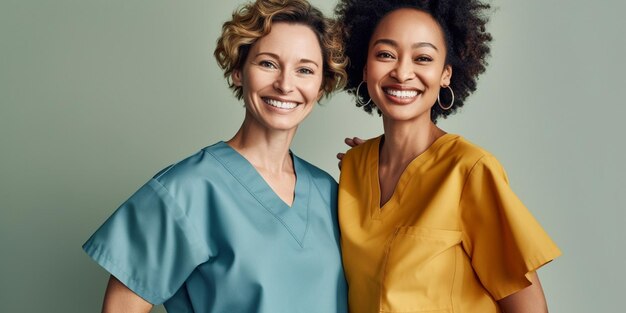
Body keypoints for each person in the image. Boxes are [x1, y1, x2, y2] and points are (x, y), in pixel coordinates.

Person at [82, 0, 348, 312]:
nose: (285, 84)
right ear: (238, 71)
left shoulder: (327, 191)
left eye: (304, 70)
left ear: (321, 86)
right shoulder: (187, 190)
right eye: (268, 64)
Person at [334, 1, 561, 312]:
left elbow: (529, 308)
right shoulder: (355, 168)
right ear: (365, 67)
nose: (402, 72)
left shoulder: (470, 171)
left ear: (445, 75)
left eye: (423, 58)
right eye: (385, 54)